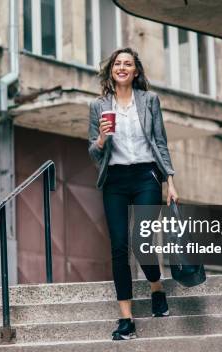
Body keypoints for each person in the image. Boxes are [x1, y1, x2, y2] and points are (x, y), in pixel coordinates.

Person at [87, 47, 179, 340]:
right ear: (111, 70)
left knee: (142, 241)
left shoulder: (150, 100)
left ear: (136, 71)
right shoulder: (99, 106)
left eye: (128, 64)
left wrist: (171, 182)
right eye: (118, 63)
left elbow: (160, 142)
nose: (122, 67)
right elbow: (93, 151)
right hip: (115, 178)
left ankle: (156, 286)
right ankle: (126, 319)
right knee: (118, 247)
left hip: (146, 176)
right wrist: (101, 139)